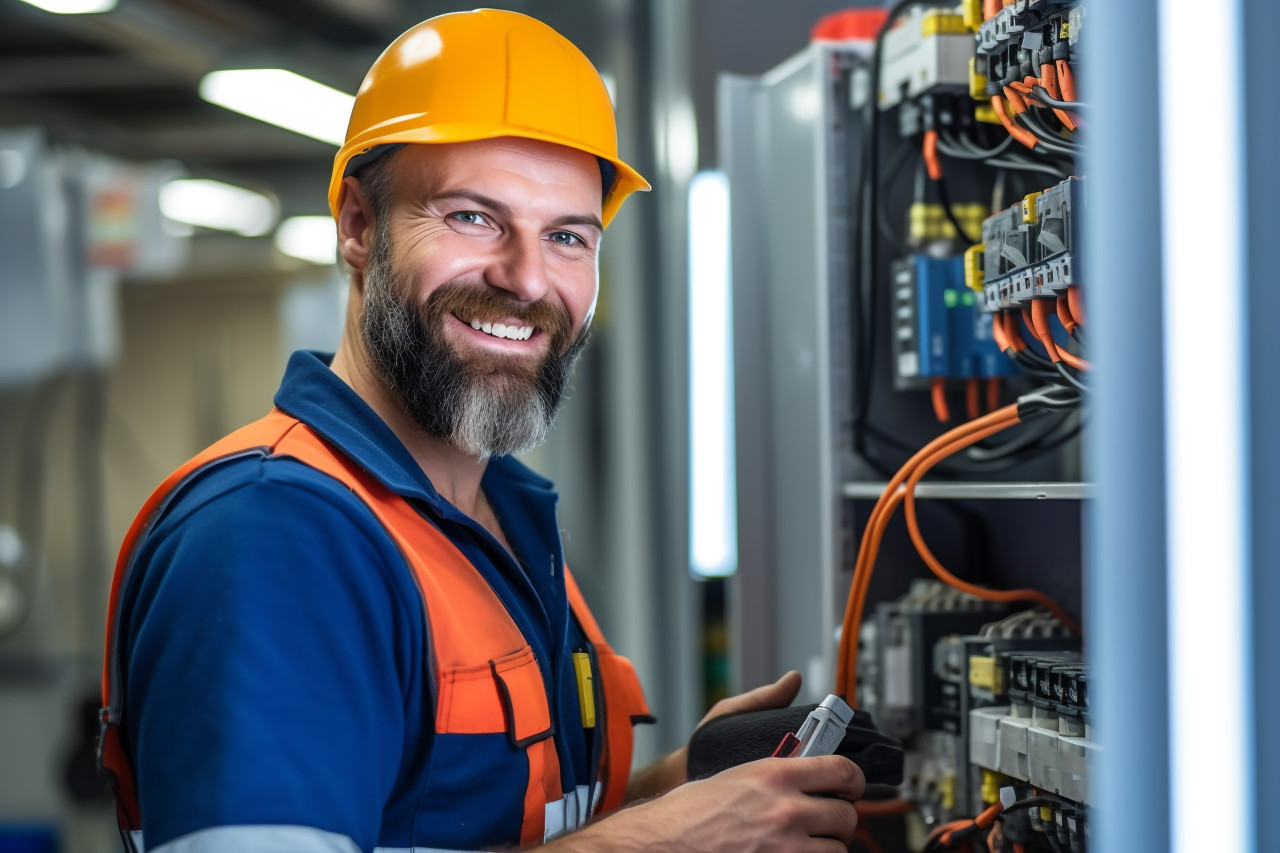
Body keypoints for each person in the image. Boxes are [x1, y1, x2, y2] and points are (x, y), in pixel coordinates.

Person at [99, 9, 866, 853]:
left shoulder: (492, 514)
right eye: (472, 217)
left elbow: (493, 828)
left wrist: (685, 787)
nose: (526, 278)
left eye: (568, 236)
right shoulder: (277, 535)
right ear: (358, 225)